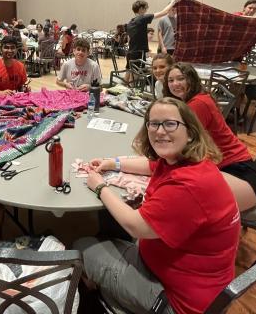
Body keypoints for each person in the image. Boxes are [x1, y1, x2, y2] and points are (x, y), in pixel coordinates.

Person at [74, 97, 240, 314]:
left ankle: (104, 302)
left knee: (81, 245)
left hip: (178, 303)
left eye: (170, 124)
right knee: (111, 224)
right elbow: (151, 165)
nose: (160, 131)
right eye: (154, 124)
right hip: (194, 281)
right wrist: (112, 163)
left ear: (190, 132)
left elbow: (135, 225)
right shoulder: (188, 161)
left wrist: (100, 187)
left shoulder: (187, 186)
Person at [164, 63, 256, 211]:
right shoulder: (197, 98)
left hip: (239, 174)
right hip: (232, 166)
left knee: (179, 199)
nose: (175, 84)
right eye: (170, 80)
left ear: (191, 79)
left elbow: (181, 145)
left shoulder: (197, 104)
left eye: (180, 79)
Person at [126, 0, 180, 82]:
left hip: (131, 52)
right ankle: (132, 91)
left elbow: (129, 39)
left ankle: (125, 88)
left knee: (129, 71)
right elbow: (164, 12)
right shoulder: (142, 18)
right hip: (138, 52)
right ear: (141, 9)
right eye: (145, 9)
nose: (146, 11)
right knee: (135, 77)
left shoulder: (130, 22)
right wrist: (173, 2)